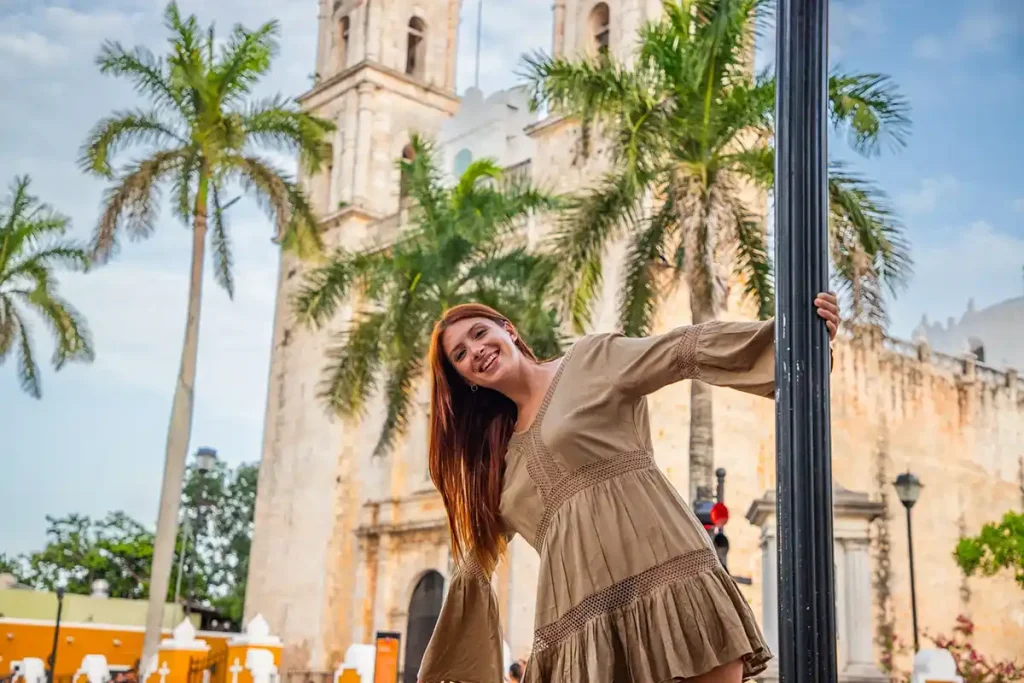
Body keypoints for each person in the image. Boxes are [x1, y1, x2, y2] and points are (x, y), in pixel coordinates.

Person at [418, 293, 841, 683]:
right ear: (464, 379)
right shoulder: (495, 460)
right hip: (581, 628)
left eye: (480, 333)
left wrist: (795, 342)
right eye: (461, 354)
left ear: (507, 330)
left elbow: (680, 351)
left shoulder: (588, 359)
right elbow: (475, 566)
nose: (476, 350)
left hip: (670, 582)